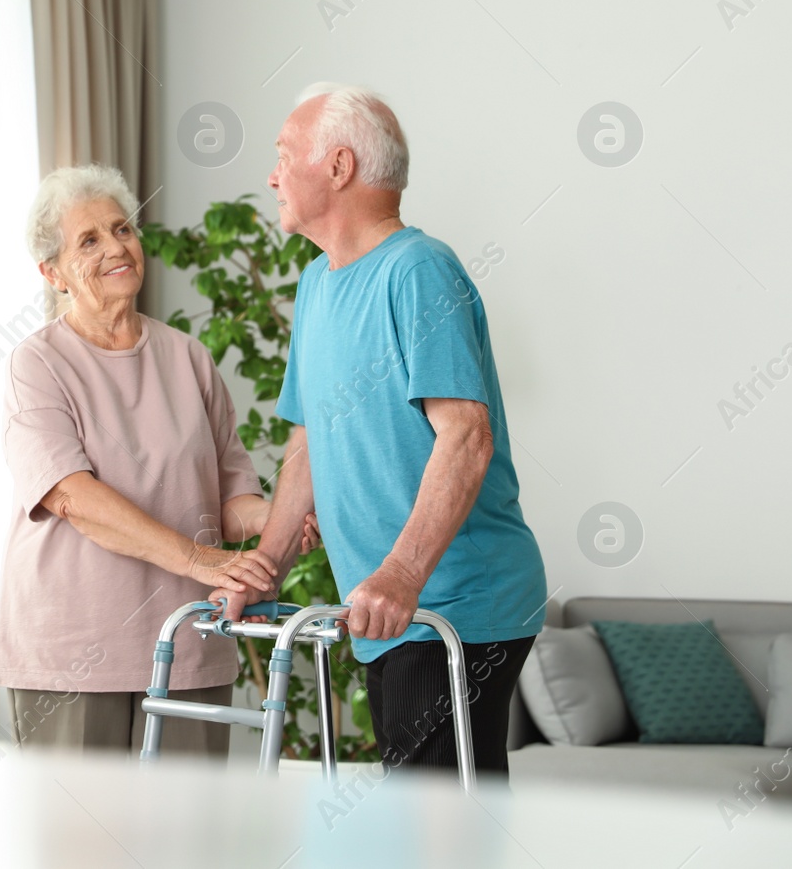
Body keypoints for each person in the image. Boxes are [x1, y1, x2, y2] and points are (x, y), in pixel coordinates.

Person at [219, 83, 547, 777]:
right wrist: (269, 564)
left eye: (284, 156)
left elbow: (466, 436)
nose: (272, 176)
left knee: (437, 825)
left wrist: (400, 575)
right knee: (434, 820)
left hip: (452, 604)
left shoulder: (418, 270)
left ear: (338, 167)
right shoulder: (317, 284)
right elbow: (307, 446)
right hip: (393, 608)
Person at [0, 164, 281, 758]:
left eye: (122, 229)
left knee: (184, 844)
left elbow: (229, 501)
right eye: (89, 240)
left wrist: (284, 517)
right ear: (53, 273)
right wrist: (204, 561)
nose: (116, 246)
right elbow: (74, 498)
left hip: (189, 642)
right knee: (81, 847)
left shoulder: (190, 359)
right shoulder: (37, 364)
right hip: (72, 652)